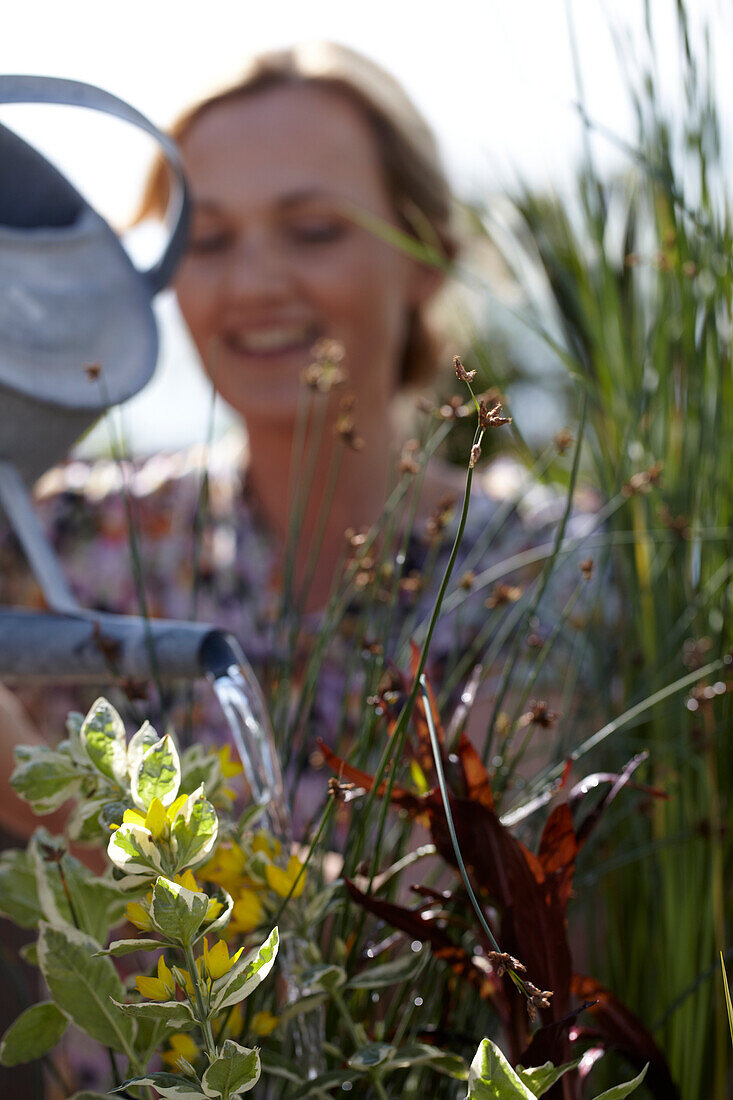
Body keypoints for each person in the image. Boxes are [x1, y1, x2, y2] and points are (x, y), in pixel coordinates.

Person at [0, 42, 590, 839]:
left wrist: (41, 794)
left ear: (428, 260)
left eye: (312, 230)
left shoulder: (538, 568)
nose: (252, 284)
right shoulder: (72, 537)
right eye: (207, 242)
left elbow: (430, 946)